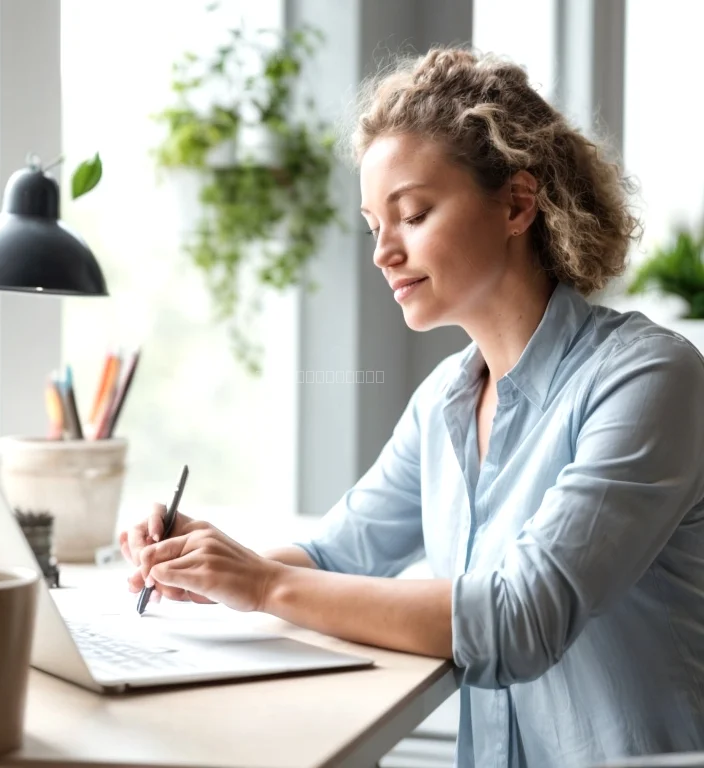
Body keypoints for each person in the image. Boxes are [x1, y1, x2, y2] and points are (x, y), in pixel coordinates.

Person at [119, 47, 704, 767]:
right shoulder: (445, 403)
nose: (382, 253)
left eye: (413, 214)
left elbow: (520, 621)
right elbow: (336, 554)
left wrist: (263, 582)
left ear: (518, 203)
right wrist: (207, 567)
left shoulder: (651, 377)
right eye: (374, 225)